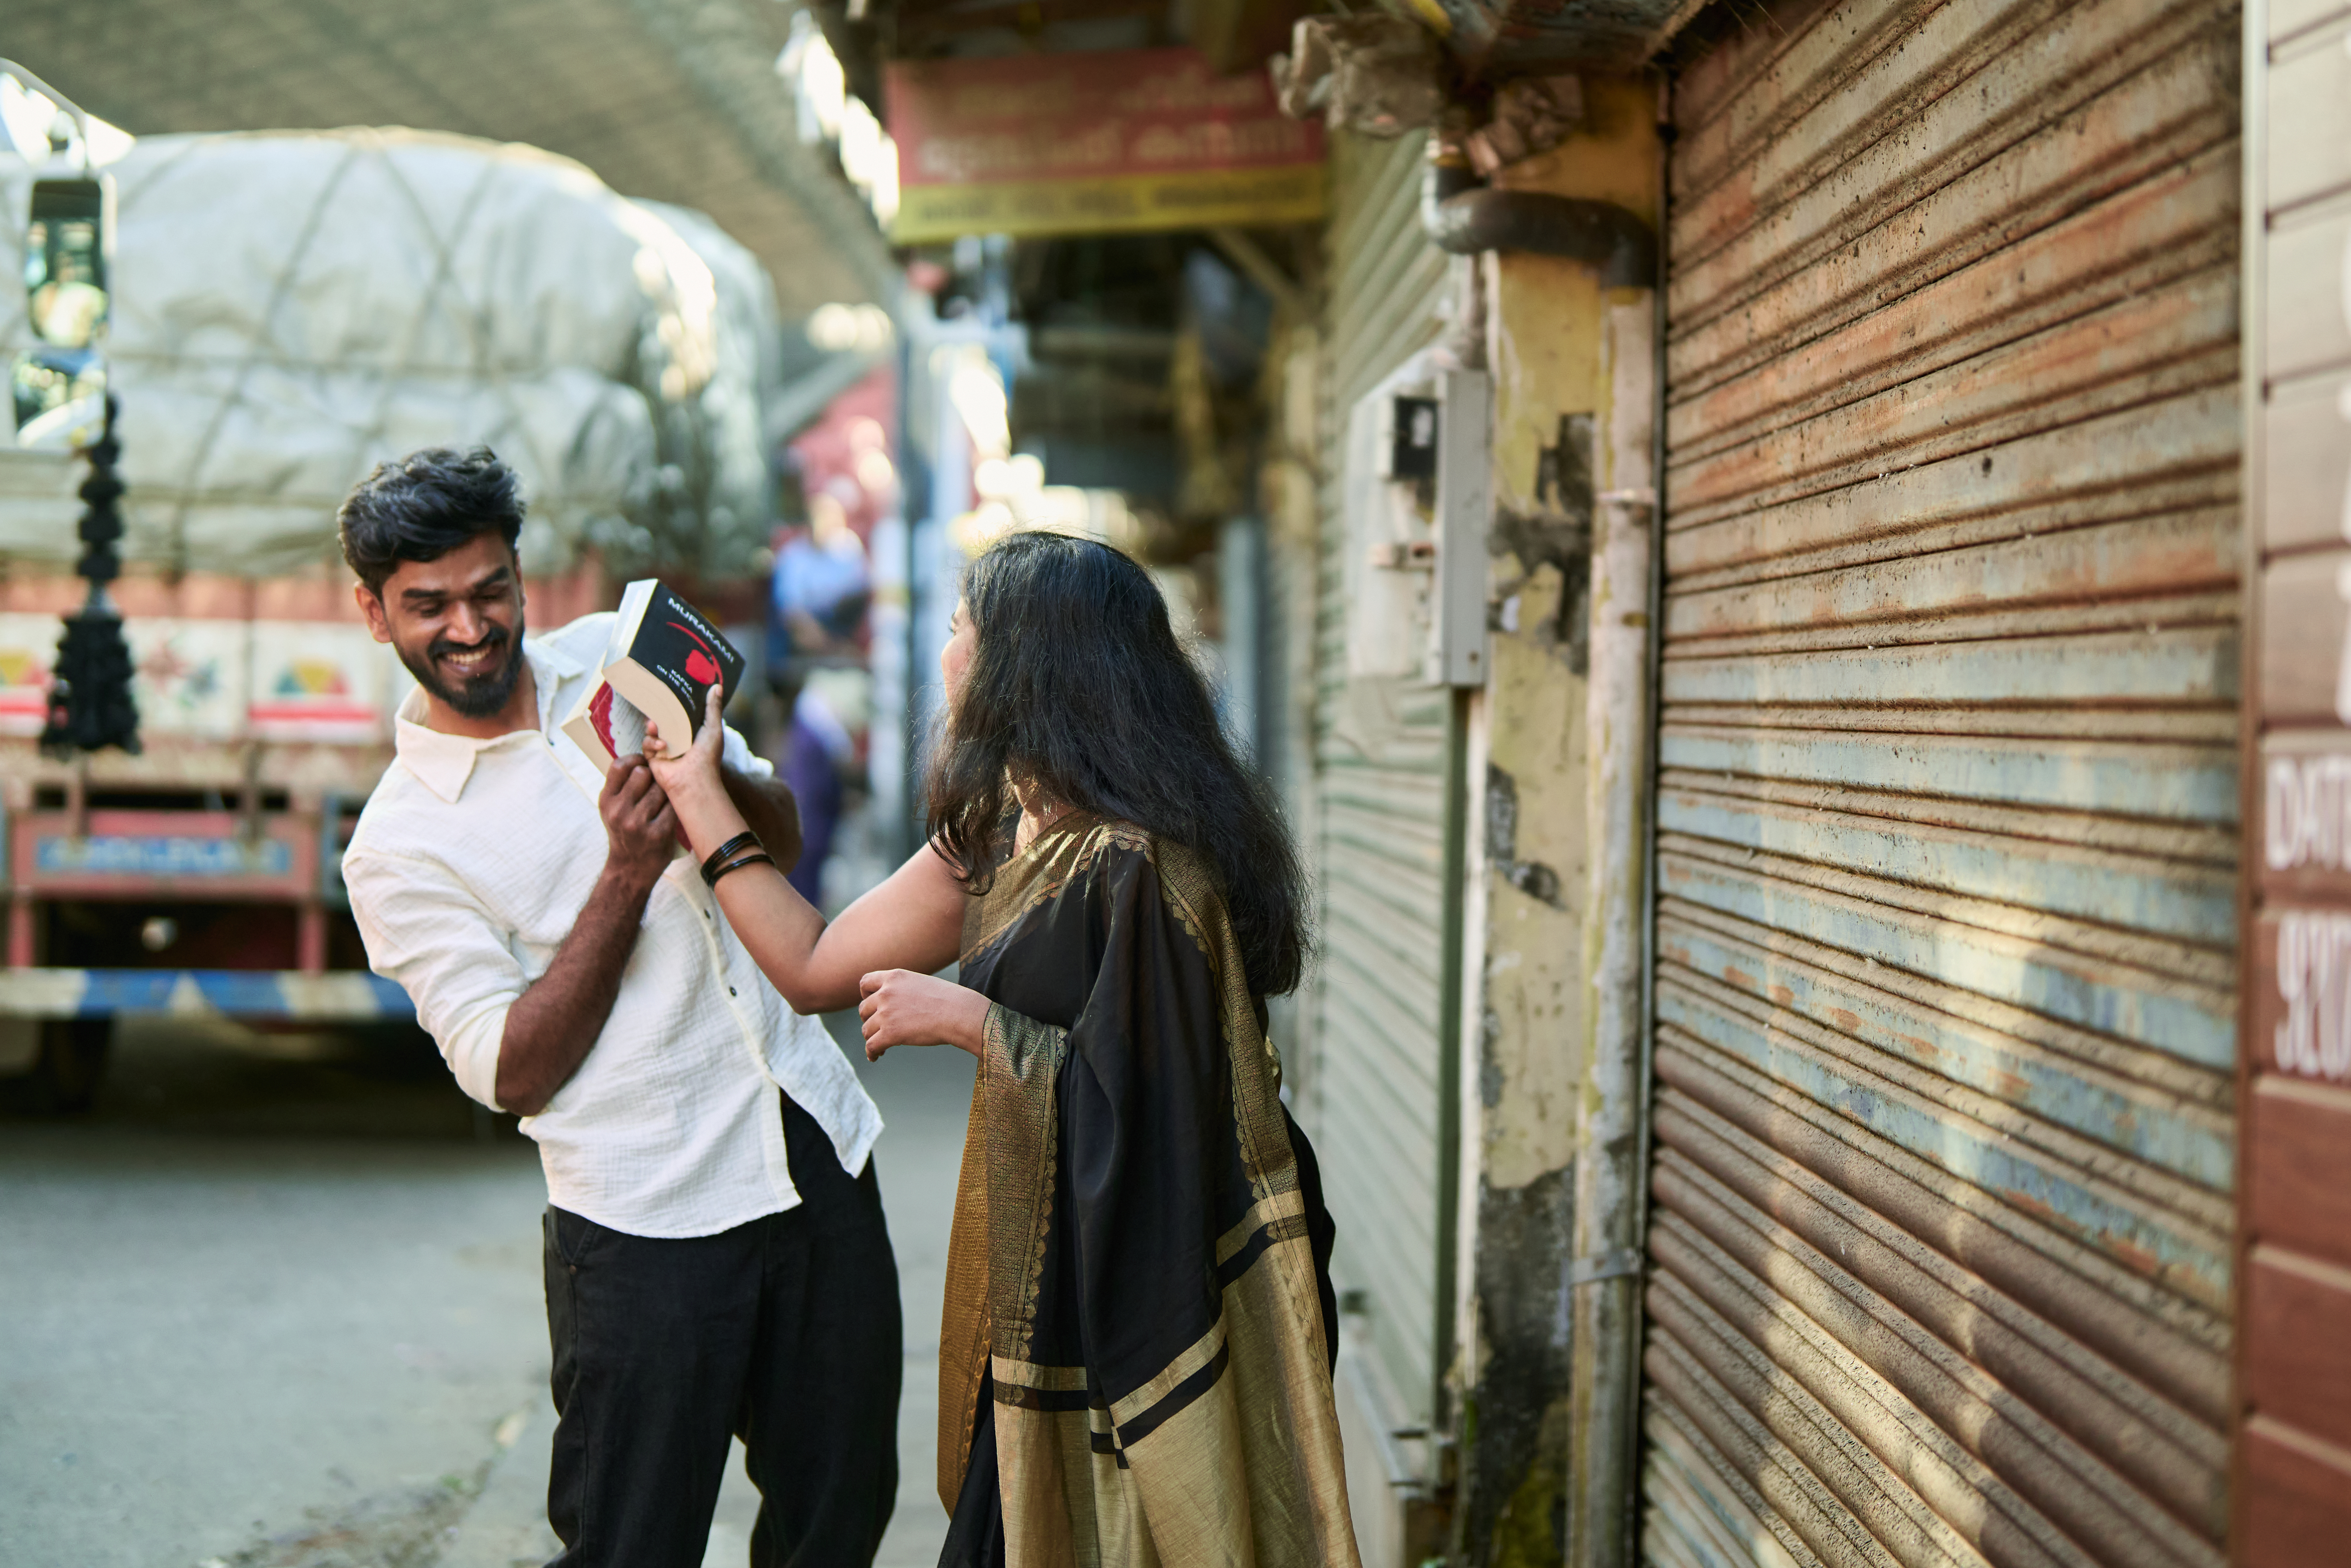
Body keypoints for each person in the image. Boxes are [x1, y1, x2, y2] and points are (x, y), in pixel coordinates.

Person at [645, 529, 1363, 1567]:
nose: (943, 655)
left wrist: (972, 1023)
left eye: (956, 630)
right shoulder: (998, 828)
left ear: (1025, 659)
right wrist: (693, 787)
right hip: (1044, 1275)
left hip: (1153, 1287)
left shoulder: (1147, 867)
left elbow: (1160, 1123)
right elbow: (811, 966)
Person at [334, 448, 902, 1568]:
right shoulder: (398, 844)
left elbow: (779, 838)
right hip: (644, 1221)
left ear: (520, 573)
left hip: (809, 1145)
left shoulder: (613, 657)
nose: (470, 626)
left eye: (491, 589)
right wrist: (625, 873)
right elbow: (510, 1070)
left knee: (839, 1521)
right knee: (631, 1546)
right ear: (373, 611)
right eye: (429, 604)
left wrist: (704, 780)